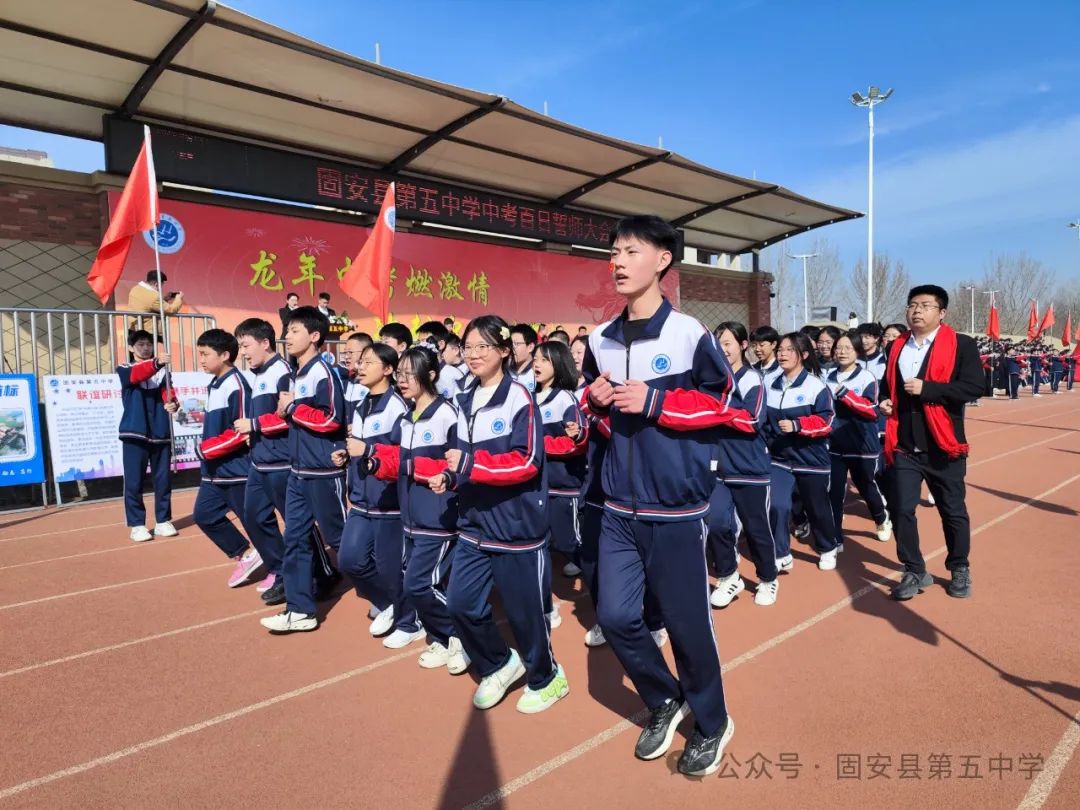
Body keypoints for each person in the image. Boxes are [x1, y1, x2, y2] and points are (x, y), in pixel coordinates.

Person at [581, 215, 734, 776]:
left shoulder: (689, 334)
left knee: (687, 621)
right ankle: (664, 697)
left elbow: (726, 408)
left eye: (631, 251)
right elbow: (593, 413)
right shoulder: (599, 338)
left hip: (675, 508)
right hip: (618, 504)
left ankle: (712, 722)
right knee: (618, 617)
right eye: (614, 252)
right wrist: (594, 402)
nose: (618, 262)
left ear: (663, 260)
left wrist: (657, 402)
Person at [436, 314, 569, 714]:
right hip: (474, 524)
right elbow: (460, 455)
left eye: (483, 347)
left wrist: (469, 465)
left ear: (505, 352)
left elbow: (527, 461)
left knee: (526, 615)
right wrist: (449, 474)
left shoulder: (519, 399)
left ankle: (548, 677)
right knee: (460, 605)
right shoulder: (463, 399)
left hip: (516, 528)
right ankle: (499, 662)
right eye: (468, 347)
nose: (473, 355)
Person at [878, 285, 984, 600]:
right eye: (912, 304)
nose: (917, 310)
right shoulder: (897, 346)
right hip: (905, 444)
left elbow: (975, 387)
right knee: (900, 509)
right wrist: (885, 399)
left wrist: (929, 389)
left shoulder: (961, 345)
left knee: (952, 511)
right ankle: (914, 569)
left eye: (925, 305)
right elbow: (888, 384)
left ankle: (959, 567)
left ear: (942, 312)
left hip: (944, 445)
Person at [233, 318, 339, 607]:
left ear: (264, 343)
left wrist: (254, 425)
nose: (243, 352)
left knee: (301, 527)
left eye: (246, 345)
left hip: (282, 460)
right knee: (254, 517)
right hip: (260, 460)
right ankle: (283, 571)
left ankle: (323, 573)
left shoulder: (283, 372)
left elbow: (285, 416)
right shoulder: (259, 374)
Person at [260, 307, 349, 633]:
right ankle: (300, 611)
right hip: (299, 471)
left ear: (314, 336)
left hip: (323, 471)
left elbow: (332, 419)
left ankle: (395, 596)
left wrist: (294, 408)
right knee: (295, 538)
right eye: (287, 330)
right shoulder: (295, 375)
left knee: (343, 541)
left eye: (295, 330)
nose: (287, 336)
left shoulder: (323, 373)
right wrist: (290, 411)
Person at [333, 343, 423, 649]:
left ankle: (410, 621)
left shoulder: (398, 407)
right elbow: (361, 448)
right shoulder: (361, 405)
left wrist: (368, 452)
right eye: (360, 362)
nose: (360, 366)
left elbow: (404, 454)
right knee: (349, 560)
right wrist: (348, 454)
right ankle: (390, 604)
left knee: (390, 567)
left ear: (387, 370)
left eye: (368, 362)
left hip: (388, 502)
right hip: (361, 500)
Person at [395, 345, 468, 671]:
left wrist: (420, 470)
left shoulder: (447, 414)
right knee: (422, 584)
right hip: (411, 518)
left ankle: (463, 633)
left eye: (410, 373)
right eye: (400, 373)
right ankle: (444, 637)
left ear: (432, 375)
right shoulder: (405, 416)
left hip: (438, 518)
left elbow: (457, 467)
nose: (403, 380)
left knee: (419, 585)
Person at [708, 322, 780, 608]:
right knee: (715, 523)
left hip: (750, 468)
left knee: (756, 528)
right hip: (718, 468)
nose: (723, 349)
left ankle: (767, 578)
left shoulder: (751, 379)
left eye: (727, 343)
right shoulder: (711, 380)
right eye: (718, 343)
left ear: (743, 345)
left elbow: (752, 420)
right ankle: (728, 576)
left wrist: (716, 411)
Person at [192, 329, 264, 588]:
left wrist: (206, 450)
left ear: (224, 355)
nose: (201, 359)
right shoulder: (215, 383)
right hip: (213, 472)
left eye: (205, 354)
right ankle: (245, 554)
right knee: (204, 515)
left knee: (257, 525)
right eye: (200, 353)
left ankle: (284, 569)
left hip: (236, 472)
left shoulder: (237, 384)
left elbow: (240, 432)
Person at [763, 332, 839, 572]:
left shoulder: (816, 386)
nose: (782, 354)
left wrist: (799, 425)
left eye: (789, 350)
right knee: (777, 505)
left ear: (804, 355)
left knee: (817, 509)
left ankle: (828, 547)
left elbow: (828, 422)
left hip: (811, 460)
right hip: (779, 460)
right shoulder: (769, 383)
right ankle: (782, 553)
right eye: (780, 350)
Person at [533, 339, 589, 628]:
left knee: (571, 544)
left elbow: (575, 444)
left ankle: (607, 592)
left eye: (544, 359)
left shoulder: (565, 399)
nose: (536, 364)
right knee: (538, 548)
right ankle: (545, 606)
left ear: (558, 364)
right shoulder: (529, 399)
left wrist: (536, 446)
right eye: (536, 359)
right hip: (535, 489)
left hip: (563, 488)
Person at [825, 331, 892, 548]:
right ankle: (836, 538)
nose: (842, 352)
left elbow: (871, 410)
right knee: (834, 491)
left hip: (862, 445)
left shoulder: (866, 378)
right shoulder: (828, 378)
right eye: (839, 348)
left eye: (848, 348)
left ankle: (881, 517)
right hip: (835, 445)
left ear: (857, 352)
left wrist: (845, 394)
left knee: (866, 487)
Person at [117, 329, 179, 542]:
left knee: (163, 480)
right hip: (135, 432)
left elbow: (169, 393)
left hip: (160, 432)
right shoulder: (125, 368)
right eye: (141, 344)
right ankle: (137, 524)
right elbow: (137, 376)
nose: (145, 348)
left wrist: (172, 403)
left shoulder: (163, 371)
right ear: (131, 348)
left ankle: (163, 521)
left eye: (148, 344)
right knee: (134, 481)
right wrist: (157, 363)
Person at [126, 270, 184, 334]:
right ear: (156, 284)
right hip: (147, 331)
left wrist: (164, 299)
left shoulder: (135, 289)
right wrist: (179, 298)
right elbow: (171, 310)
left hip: (134, 328)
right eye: (161, 286)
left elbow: (148, 304)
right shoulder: (153, 296)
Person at [341, 332, 374, 423]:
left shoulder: (373, 382)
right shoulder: (347, 380)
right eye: (345, 352)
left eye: (350, 352)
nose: (346, 357)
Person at [436, 334, 469, 399]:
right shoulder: (444, 370)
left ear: (456, 350)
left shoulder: (468, 371)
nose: (440, 354)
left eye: (442, 350)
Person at [509, 324, 538, 393]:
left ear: (530, 347)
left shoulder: (538, 373)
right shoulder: (505, 371)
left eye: (516, 344)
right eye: (510, 344)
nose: (511, 348)